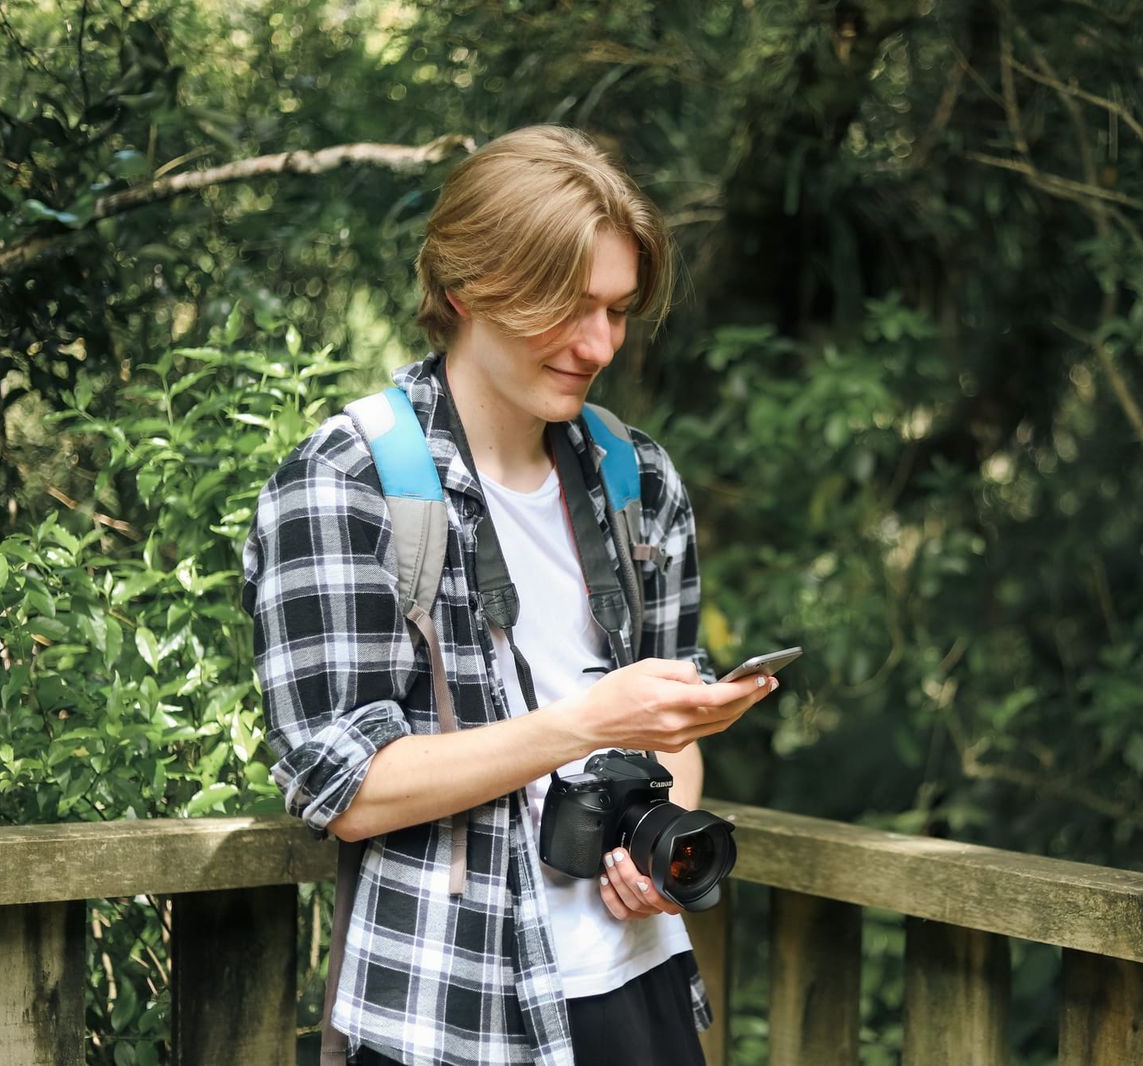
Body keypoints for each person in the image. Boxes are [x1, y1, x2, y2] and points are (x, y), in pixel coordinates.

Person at [241, 125, 774, 1066]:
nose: (598, 343)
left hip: (639, 983)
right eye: (568, 308)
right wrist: (585, 722)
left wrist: (651, 851)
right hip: (451, 1012)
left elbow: (671, 729)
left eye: (616, 310)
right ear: (466, 289)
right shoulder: (346, 480)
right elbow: (344, 785)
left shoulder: (635, 476)